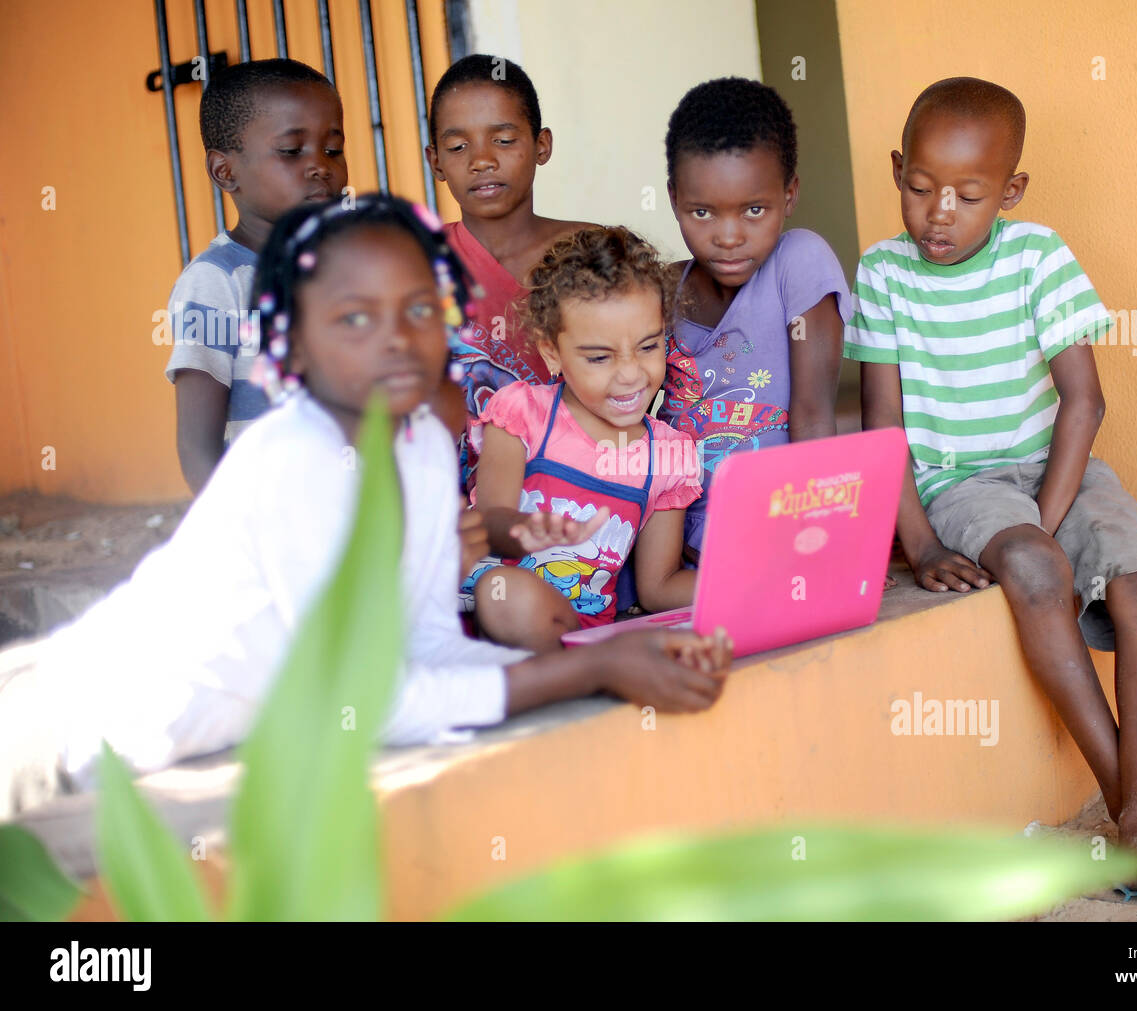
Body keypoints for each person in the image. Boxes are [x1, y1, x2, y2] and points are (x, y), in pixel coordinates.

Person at [0, 195, 731, 821]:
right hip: (77, 735)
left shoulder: (416, 443)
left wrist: (609, 653)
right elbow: (367, 698)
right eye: (354, 317)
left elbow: (425, 641)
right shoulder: (294, 462)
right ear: (293, 341)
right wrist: (588, 673)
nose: (395, 338)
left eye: (418, 308)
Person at [848, 77, 1137, 903]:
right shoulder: (883, 274)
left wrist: (1051, 513)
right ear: (897, 169)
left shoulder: (1038, 256)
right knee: (1034, 567)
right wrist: (923, 542)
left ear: (1009, 192)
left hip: (1061, 465)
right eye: (918, 188)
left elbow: (1084, 401)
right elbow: (884, 427)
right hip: (964, 481)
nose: (939, 212)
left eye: (968, 195)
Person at [462, 227, 703, 651]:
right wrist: (525, 529)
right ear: (552, 353)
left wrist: (754, 577)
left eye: (648, 347)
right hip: (495, 606)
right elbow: (489, 524)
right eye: (599, 357)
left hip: (581, 631)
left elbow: (658, 588)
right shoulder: (523, 415)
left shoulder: (668, 454)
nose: (631, 374)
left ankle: (575, 670)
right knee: (507, 591)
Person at [658, 77, 851, 562]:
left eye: (754, 210)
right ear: (673, 197)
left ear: (789, 195)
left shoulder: (798, 262)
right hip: (672, 526)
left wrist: (820, 540)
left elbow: (812, 413)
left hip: (778, 519)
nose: (728, 236)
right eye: (701, 211)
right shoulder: (660, 290)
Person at [165, 58, 348, 493]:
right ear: (225, 171)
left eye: (333, 149)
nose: (319, 166)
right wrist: (232, 534)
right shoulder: (216, 281)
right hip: (274, 528)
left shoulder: (350, 268)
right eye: (291, 151)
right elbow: (196, 444)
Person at [424, 54, 595, 480]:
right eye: (459, 146)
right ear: (436, 162)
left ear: (542, 145)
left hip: (587, 502)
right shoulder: (415, 264)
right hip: (461, 516)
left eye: (503, 140)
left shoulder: (594, 251)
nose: (481, 160)